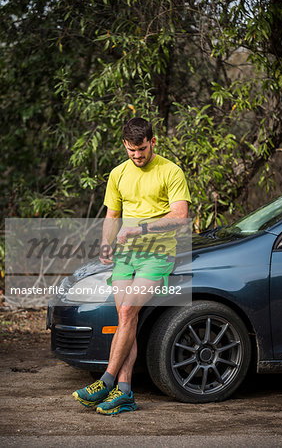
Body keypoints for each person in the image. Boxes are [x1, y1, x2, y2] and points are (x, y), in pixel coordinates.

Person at [72, 117, 191, 415]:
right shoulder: (117, 174)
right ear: (124, 145)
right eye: (131, 150)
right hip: (126, 255)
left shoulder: (170, 171)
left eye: (141, 149)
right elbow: (112, 215)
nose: (137, 155)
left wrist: (141, 230)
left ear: (153, 141)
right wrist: (105, 243)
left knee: (127, 312)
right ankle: (124, 393)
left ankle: (106, 380)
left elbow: (179, 217)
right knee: (128, 320)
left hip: (158, 252)